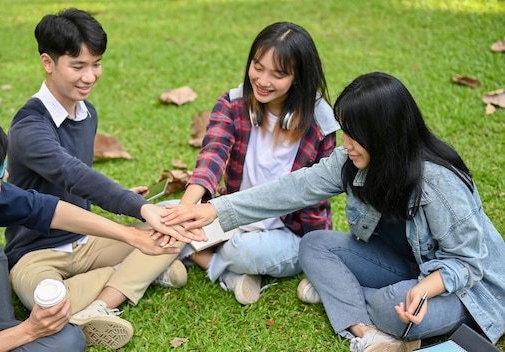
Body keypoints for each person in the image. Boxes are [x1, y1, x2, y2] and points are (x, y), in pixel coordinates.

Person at [160, 72, 505, 351]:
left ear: (384, 135)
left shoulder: (438, 184)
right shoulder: (352, 162)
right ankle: (365, 331)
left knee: (392, 309)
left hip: (466, 290)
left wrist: (424, 289)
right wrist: (216, 210)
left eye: (355, 135)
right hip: (403, 267)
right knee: (315, 244)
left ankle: (347, 302)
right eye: (345, 132)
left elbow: (469, 263)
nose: (346, 144)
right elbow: (292, 188)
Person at [0, 108, 192, 352]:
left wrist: (129, 234)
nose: (6, 174)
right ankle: (7, 333)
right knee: (67, 341)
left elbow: (40, 207)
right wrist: (29, 331)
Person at [4, 8, 190, 349]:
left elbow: (77, 184)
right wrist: (138, 207)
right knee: (49, 301)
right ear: (48, 62)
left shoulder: (87, 112)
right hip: (34, 254)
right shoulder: (28, 127)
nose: (90, 76)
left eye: (96, 63)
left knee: (170, 233)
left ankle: (100, 303)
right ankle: (134, 279)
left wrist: (121, 200)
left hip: (87, 240)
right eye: (78, 66)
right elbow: (72, 174)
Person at [172, 22, 338, 305]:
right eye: (257, 67)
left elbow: (315, 197)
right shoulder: (234, 103)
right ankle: (227, 272)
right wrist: (183, 212)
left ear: (299, 77)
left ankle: (200, 260)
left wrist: (316, 252)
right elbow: (211, 157)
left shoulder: (320, 124)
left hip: (286, 233)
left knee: (244, 250)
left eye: (278, 74)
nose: (262, 80)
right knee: (162, 215)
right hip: (230, 214)